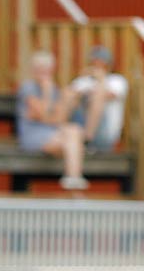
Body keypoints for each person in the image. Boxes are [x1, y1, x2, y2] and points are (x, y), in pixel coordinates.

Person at [16, 52, 88, 192]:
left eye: (46, 68)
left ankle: (73, 178)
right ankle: (74, 178)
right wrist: (47, 92)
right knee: (73, 141)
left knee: (74, 130)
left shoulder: (54, 89)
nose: (43, 72)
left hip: (52, 134)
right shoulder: (28, 88)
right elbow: (42, 113)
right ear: (33, 69)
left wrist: (67, 101)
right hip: (34, 135)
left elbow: (57, 120)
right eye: (40, 68)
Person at [68, 45, 129, 152]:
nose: (98, 64)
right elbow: (68, 97)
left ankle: (87, 139)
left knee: (98, 97)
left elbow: (108, 95)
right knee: (70, 96)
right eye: (95, 61)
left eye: (102, 62)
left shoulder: (118, 81)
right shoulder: (82, 81)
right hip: (78, 126)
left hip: (105, 134)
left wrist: (100, 78)